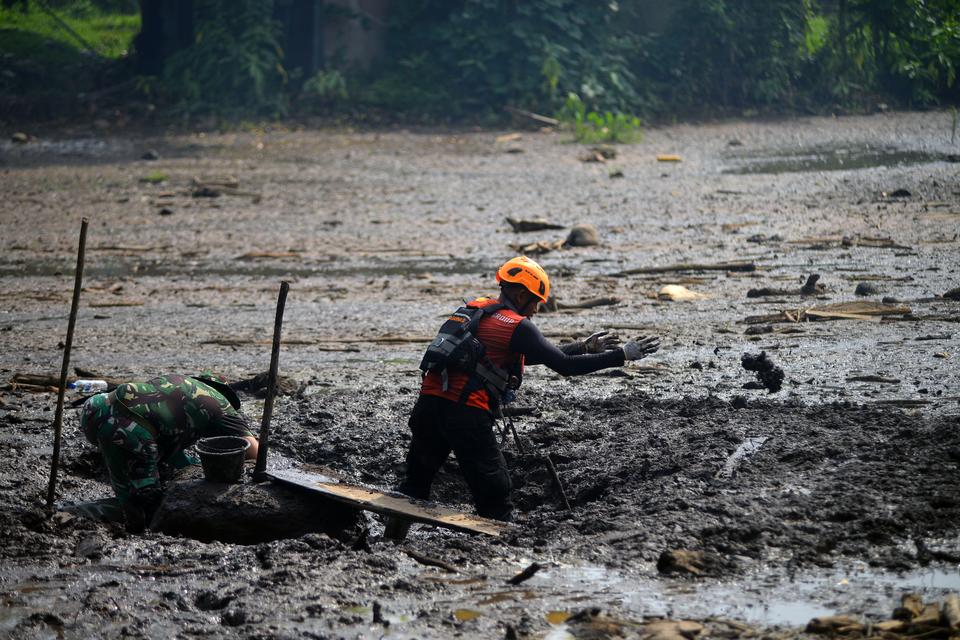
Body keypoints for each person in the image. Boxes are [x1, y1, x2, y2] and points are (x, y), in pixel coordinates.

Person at [389, 256, 660, 537]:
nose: (535, 311)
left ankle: (392, 539)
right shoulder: (518, 325)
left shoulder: (475, 311)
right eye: (535, 303)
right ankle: (496, 558)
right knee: (495, 494)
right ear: (521, 295)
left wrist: (584, 346)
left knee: (415, 484)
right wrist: (621, 355)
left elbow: (527, 356)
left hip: (428, 409)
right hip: (465, 415)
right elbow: (563, 367)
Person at [80, 372, 259, 532]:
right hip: (130, 430)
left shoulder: (177, 382)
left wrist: (189, 468)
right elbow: (255, 451)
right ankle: (124, 527)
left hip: (95, 409)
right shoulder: (219, 403)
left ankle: (74, 512)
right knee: (147, 503)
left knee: (125, 495)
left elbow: (172, 445)